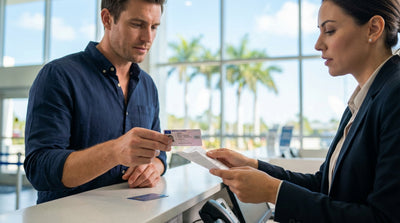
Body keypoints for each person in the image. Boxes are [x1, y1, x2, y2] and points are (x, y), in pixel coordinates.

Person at [207, 0, 400, 222]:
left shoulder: (394, 95)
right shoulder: (362, 100)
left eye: (330, 31)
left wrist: (274, 192)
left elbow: (385, 218)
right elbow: (324, 185)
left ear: (373, 28)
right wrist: (255, 166)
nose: (318, 45)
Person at [24, 0, 172, 204]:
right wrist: (114, 152)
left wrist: (152, 168)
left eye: (154, 27)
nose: (148, 37)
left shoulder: (147, 85)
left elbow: (159, 158)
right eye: (137, 24)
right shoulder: (59, 76)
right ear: (107, 19)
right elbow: (39, 168)